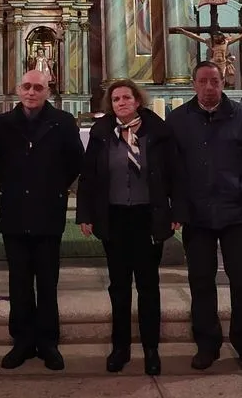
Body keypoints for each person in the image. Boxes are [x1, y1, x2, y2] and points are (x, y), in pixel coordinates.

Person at [165, 60, 242, 374]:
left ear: (223, 81)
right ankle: (207, 345)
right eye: (203, 81)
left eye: (215, 80)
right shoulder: (178, 120)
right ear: (194, 84)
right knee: (200, 283)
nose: (209, 87)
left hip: (236, 213)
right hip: (197, 217)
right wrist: (178, 207)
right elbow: (171, 168)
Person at [76, 79, 187, 376]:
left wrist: (176, 210)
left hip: (147, 217)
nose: (121, 103)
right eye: (116, 99)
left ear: (137, 100)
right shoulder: (102, 133)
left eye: (126, 97)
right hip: (114, 218)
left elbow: (175, 174)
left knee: (148, 286)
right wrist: (85, 214)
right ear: (110, 105)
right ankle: (120, 347)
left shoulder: (158, 132)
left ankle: (152, 349)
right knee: (119, 286)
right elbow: (88, 177)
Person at [0, 69, 84, 371]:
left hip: (48, 211)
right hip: (15, 211)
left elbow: (75, 162)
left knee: (47, 281)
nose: (31, 92)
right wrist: (17, 185)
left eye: (38, 87)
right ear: (18, 90)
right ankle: (22, 341)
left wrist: (52, 187)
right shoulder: (3, 124)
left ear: (47, 92)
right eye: (26, 86)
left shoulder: (64, 123)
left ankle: (49, 342)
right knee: (18, 282)